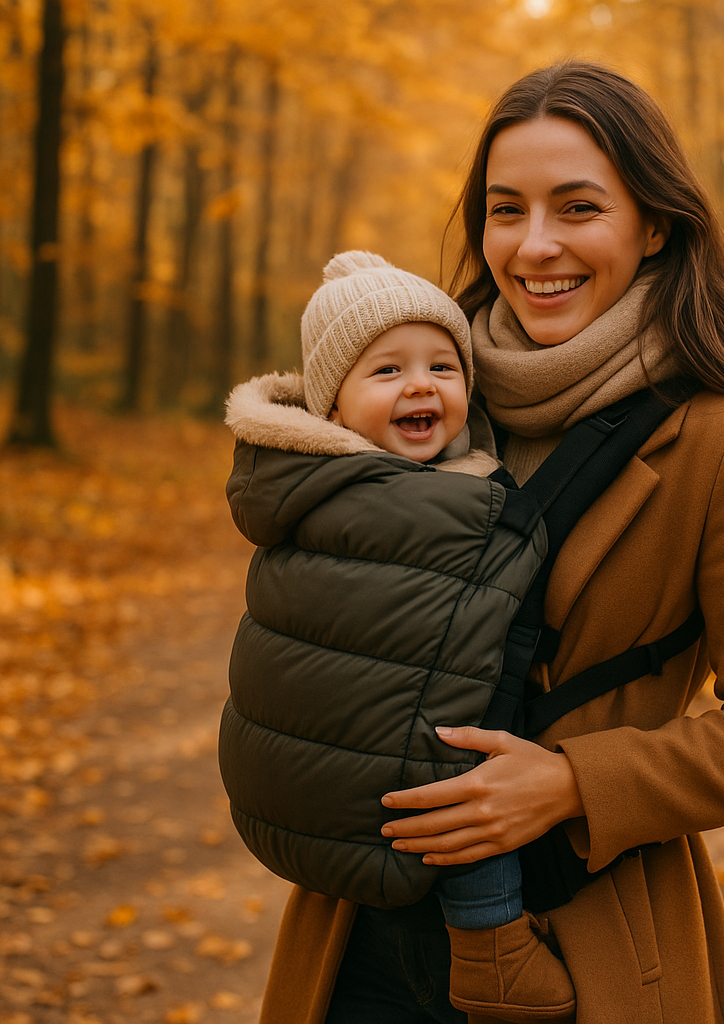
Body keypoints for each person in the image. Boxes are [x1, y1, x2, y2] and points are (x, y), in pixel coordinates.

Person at [255, 61, 724, 1024]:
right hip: (357, 928)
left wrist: (572, 784)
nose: (533, 247)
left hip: (585, 940)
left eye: (577, 208)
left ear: (654, 224)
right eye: (504, 209)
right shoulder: (429, 393)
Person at [222, 251, 573, 1021]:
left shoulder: (390, 477)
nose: (422, 386)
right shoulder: (376, 494)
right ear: (335, 410)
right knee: (462, 768)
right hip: (404, 800)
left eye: (444, 367)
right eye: (387, 372)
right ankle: (493, 936)